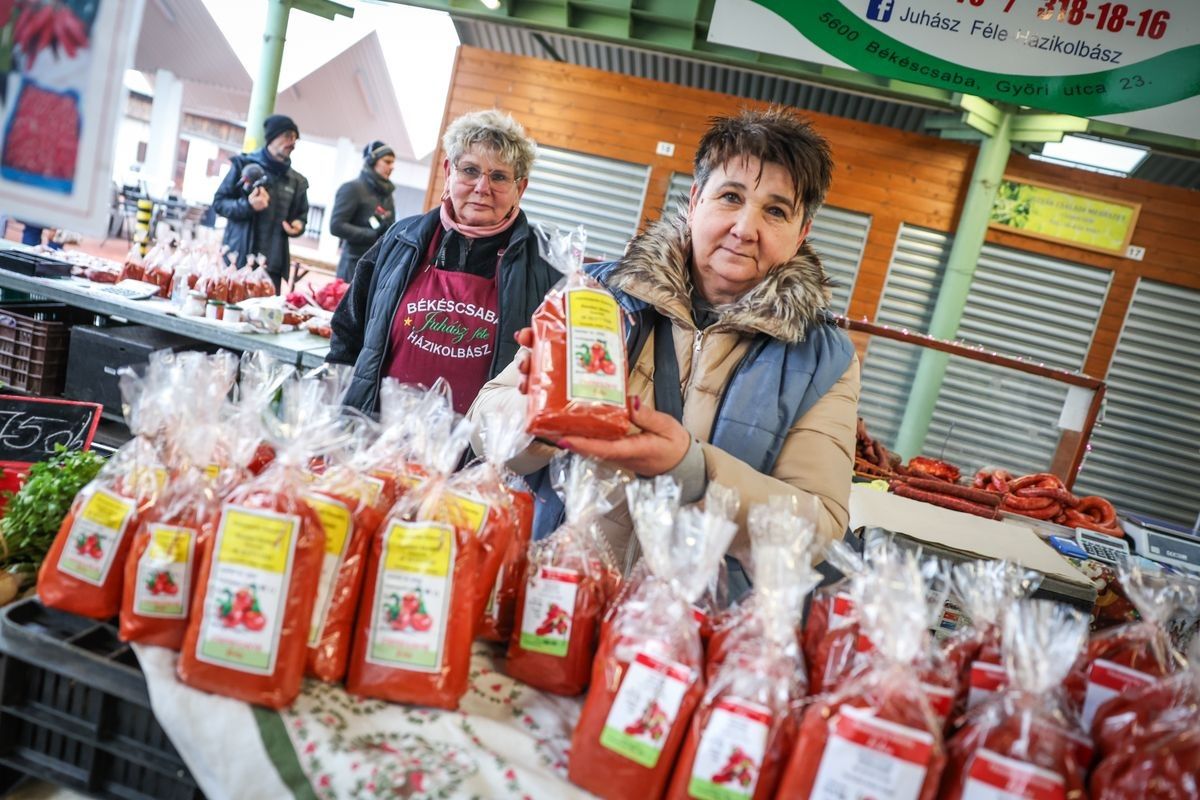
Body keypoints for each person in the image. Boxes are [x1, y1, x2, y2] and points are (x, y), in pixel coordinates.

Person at [470, 107, 860, 582]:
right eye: (731, 196)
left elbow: (819, 529)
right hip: (559, 587)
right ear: (695, 200)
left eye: (775, 211)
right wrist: (538, 417)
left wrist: (692, 470)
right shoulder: (594, 295)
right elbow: (484, 424)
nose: (744, 228)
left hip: (690, 626)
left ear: (802, 234)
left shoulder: (822, 358)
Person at [328, 109, 558, 416]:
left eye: (499, 176)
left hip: (479, 452)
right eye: (470, 170)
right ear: (449, 171)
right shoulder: (401, 238)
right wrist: (337, 410)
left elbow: (555, 369)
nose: (482, 188)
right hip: (378, 440)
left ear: (521, 188)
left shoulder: (546, 264)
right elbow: (348, 328)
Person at [211, 114, 310, 291]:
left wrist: (298, 225)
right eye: (287, 136)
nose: (292, 142)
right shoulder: (243, 165)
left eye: (295, 138)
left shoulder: (297, 181)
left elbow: (301, 216)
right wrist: (248, 206)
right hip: (238, 261)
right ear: (272, 137)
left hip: (272, 267)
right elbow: (219, 203)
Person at [329, 140, 397, 281]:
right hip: (352, 266)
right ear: (372, 161)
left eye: (393, 162)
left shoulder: (388, 195)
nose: (392, 167)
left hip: (377, 266)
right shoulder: (352, 189)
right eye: (387, 161)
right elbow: (336, 226)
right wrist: (372, 235)